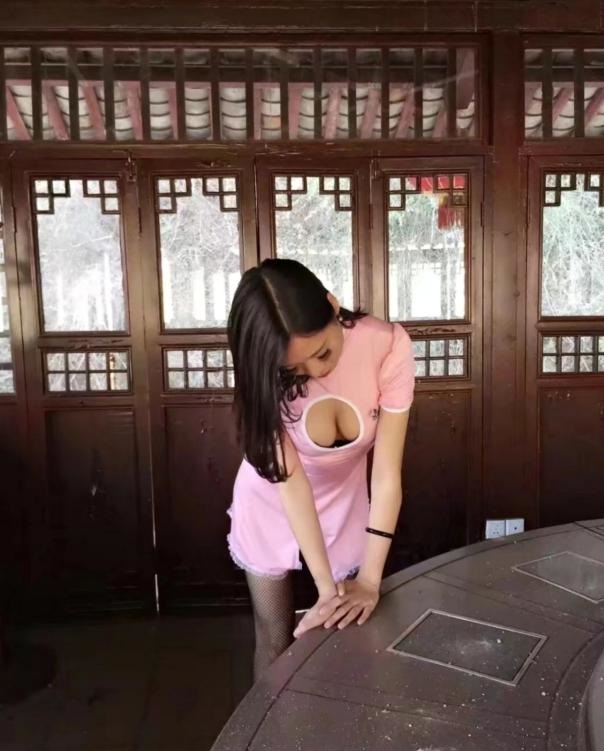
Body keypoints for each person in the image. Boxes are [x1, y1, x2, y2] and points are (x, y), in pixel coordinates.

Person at [226, 259, 415, 680]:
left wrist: (370, 580)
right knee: (276, 637)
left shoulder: (386, 346)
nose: (317, 372)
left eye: (322, 352)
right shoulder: (264, 373)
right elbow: (291, 485)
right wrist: (326, 589)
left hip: (345, 503)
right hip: (272, 502)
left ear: (332, 305)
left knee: (345, 635)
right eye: (293, 369)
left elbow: (386, 474)